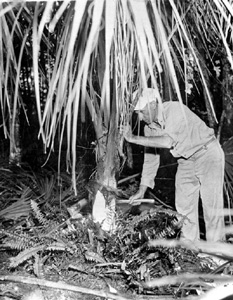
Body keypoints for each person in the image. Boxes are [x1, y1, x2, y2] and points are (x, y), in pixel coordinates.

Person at [124, 88, 225, 243]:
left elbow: (168, 141)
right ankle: (191, 249)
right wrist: (141, 190)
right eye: (137, 112)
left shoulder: (174, 110)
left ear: (152, 104)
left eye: (142, 111)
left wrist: (132, 138)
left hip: (207, 153)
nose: (140, 116)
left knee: (211, 207)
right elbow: (151, 159)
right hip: (186, 160)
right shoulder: (148, 128)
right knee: (184, 206)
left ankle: (217, 253)